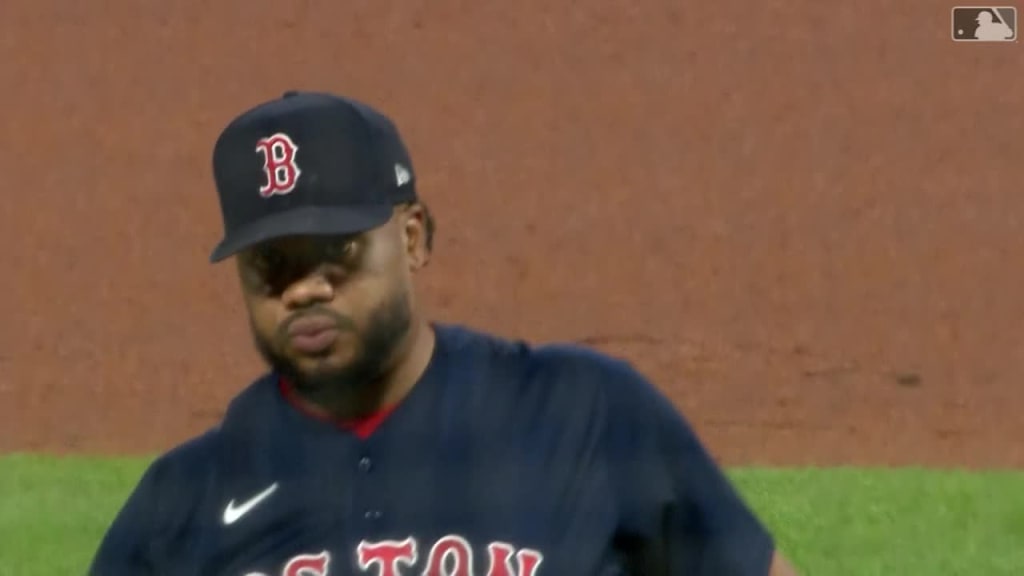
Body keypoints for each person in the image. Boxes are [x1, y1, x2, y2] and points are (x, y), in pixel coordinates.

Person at [89, 90, 800, 575]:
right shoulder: (181, 505)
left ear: (414, 236)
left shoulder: (584, 417)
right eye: (272, 265)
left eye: (336, 251)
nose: (304, 288)